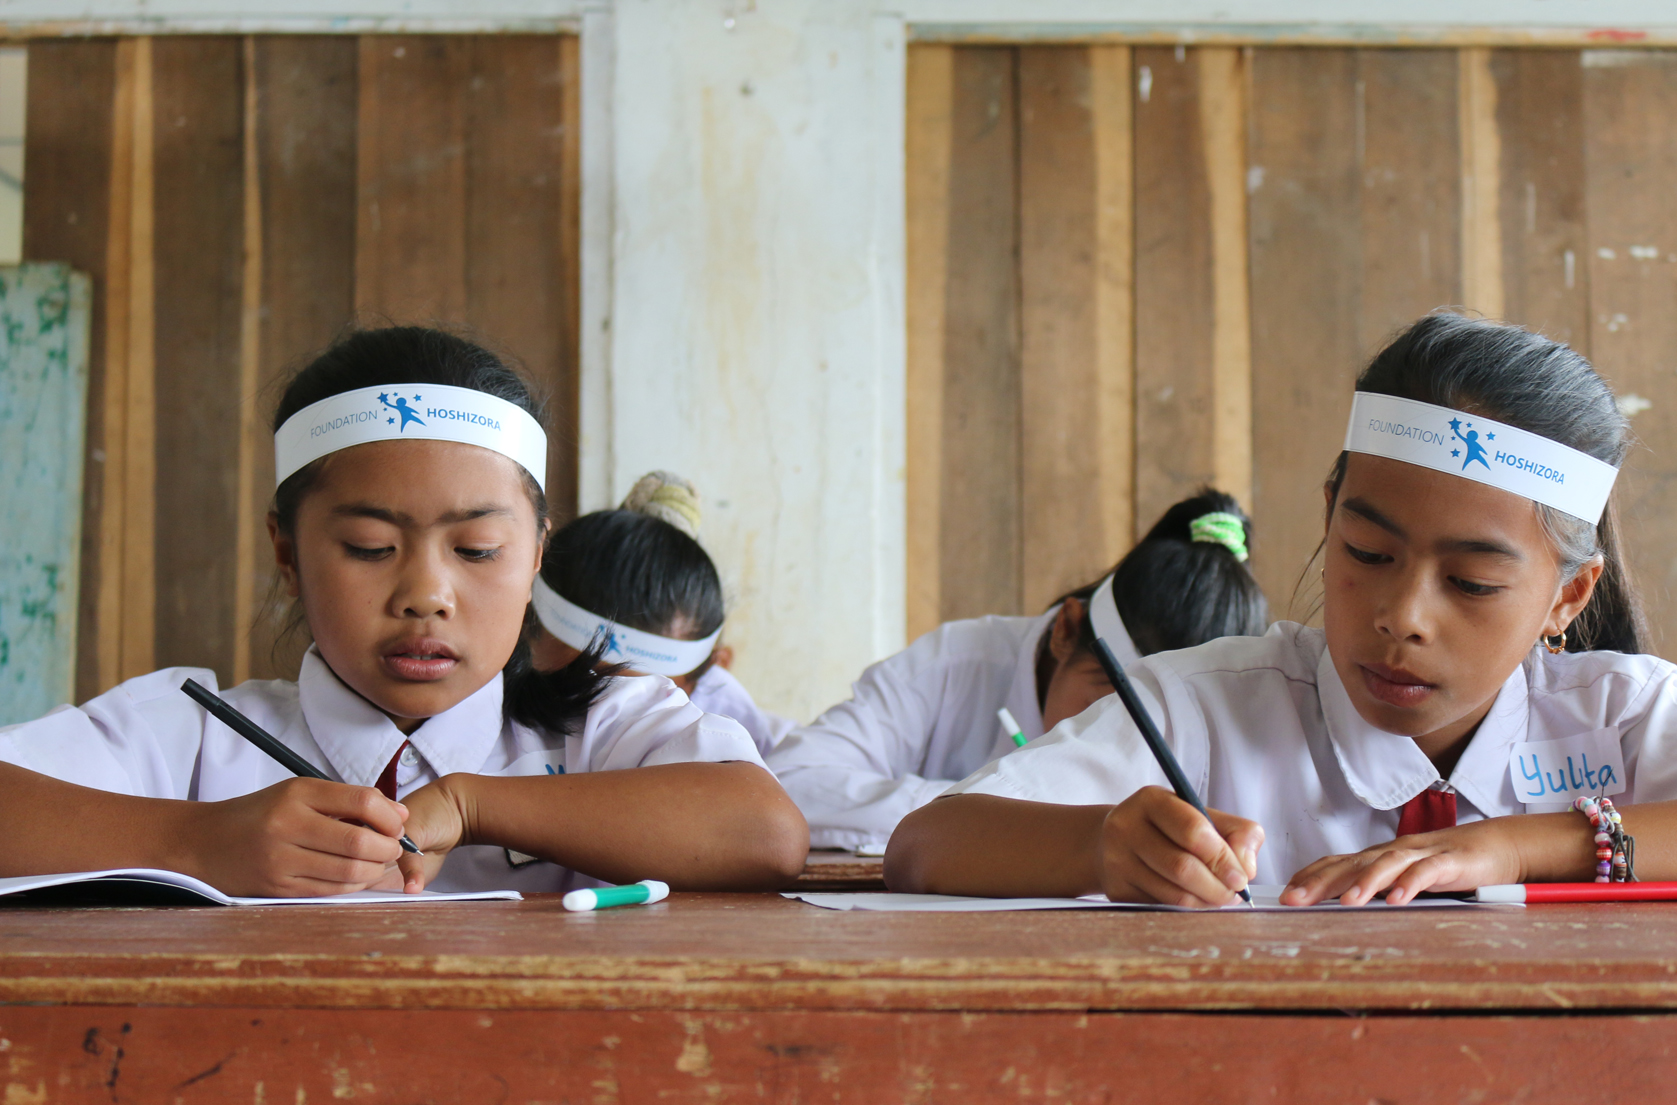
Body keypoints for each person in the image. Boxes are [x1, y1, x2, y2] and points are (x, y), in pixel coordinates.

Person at [886, 312, 1677, 907]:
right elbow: (927, 845)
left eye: (1470, 583)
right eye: (1368, 554)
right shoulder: (1205, 708)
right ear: (1327, 517)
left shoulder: (1612, 717)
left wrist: (1515, 848)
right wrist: (1101, 846)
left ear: (1566, 597)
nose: (1401, 614)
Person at [0, 327, 808, 897]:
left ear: (535, 556)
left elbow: (766, 833)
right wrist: (196, 842)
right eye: (367, 545)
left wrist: (472, 802)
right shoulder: (193, 737)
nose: (426, 593)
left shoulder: (601, 727)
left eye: (478, 549)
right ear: (287, 554)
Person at [770, 490, 1268, 852]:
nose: (1121, 742)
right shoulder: (955, 666)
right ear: (1066, 630)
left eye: (1161, 730)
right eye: (1109, 705)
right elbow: (791, 784)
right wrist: (1005, 814)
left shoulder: (1245, 717)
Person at [528, 472, 793, 757]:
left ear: (708, 672)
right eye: (569, 688)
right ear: (524, 630)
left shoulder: (728, 725)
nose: (592, 722)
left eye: (637, 704)